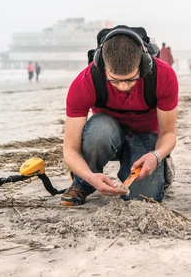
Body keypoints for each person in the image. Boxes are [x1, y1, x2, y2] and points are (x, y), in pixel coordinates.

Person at [61, 26, 178, 207]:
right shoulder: (85, 83)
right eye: (114, 80)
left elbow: (168, 133)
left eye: (131, 79)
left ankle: (160, 168)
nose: (122, 87)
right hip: (106, 133)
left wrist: (156, 155)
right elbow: (70, 149)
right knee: (98, 132)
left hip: (145, 135)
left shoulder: (163, 76)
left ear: (144, 65)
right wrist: (89, 176)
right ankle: (83, 183)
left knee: (143, 199)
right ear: (101, 66)